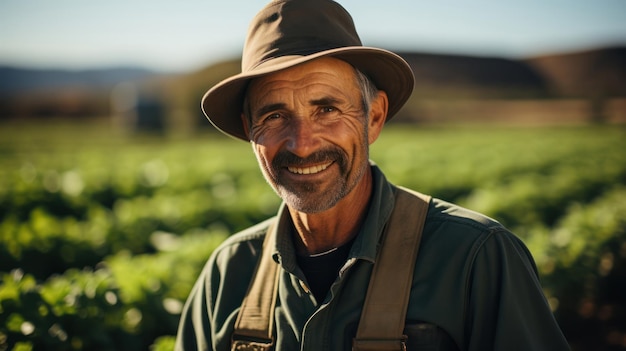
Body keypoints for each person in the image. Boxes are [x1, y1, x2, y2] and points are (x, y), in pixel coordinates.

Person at [175, 0, 570, 350]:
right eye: (275, 115)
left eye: (327, 109)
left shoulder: (476, 258)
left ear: (374, 117)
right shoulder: (228, 273)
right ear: (250, 130)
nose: (302, 144)